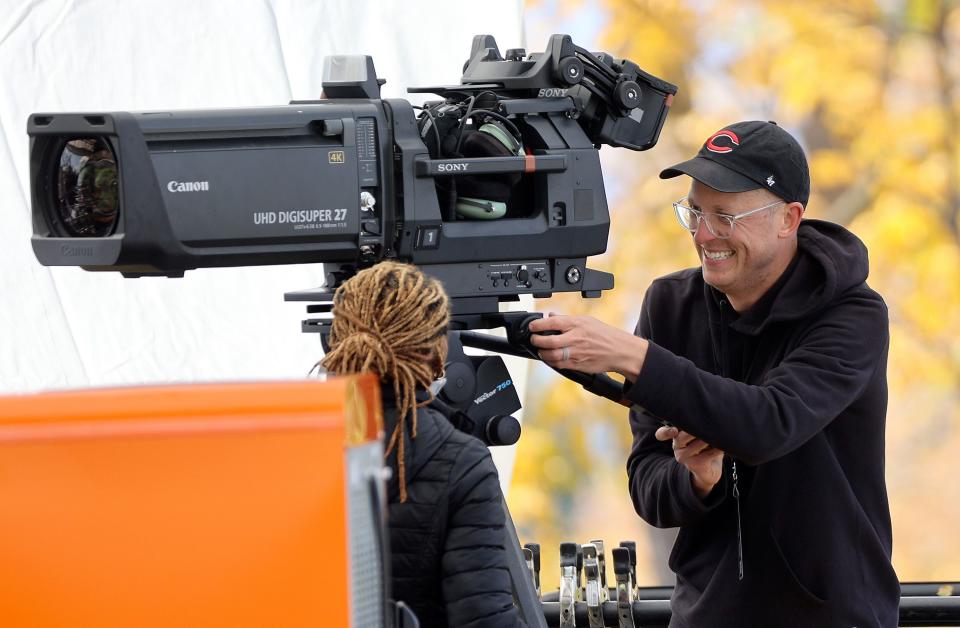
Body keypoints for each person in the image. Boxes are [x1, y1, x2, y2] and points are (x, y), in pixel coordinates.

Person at [529, 121, 899, 627]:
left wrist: (634, 358)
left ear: (788, 219)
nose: (704, 235)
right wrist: (697, 481)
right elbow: (648, 485)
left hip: (833, 616)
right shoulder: (669, 304)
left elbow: (770, 422)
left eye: (725, 217)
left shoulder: (853, 314)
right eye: (696, 212)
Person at [319, 261, 526, 628]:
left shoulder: (292, 443)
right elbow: (485, 618)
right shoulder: (463, 463)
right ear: (434, 354)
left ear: (337, 341)